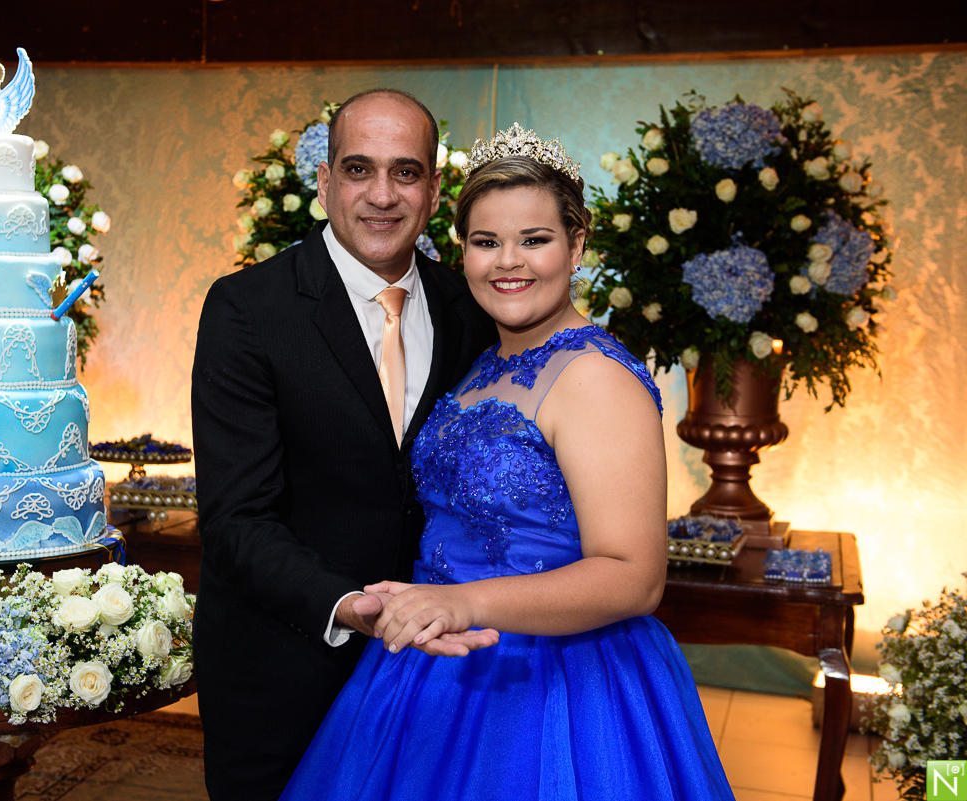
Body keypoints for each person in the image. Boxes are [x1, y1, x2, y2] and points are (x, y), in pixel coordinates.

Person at [280, 124, 737, 800]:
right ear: (461, 250)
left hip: (560, 686)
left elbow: (634, 577)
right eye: (486, 241)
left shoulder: (593, 376)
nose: (507, 262)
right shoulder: (489, 363)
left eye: (535, 239)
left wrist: (465, 601)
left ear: (576, 245)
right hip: (433, 664)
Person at [191, 89, 499, 801]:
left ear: (435, 187)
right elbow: (236, 520)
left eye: (406, 172)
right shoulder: (247, 310)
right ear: (325, 182)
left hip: (432, 673)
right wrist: (349, 604)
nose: (382, 195)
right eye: (359, 169)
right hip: (282, 665)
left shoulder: (474, 310)